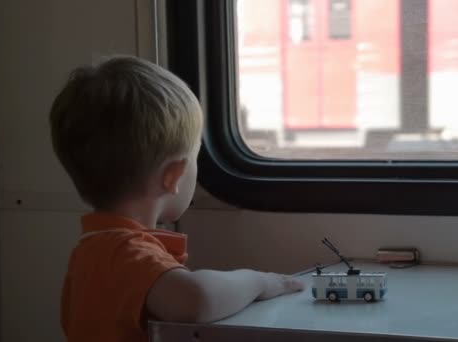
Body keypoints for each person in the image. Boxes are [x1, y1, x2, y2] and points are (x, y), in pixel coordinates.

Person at [50, 56, 304, 342]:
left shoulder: (93, 249)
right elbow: (197, 298)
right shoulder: (125, 252)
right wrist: (260, 281)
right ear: (173, 176)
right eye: (195, 159)